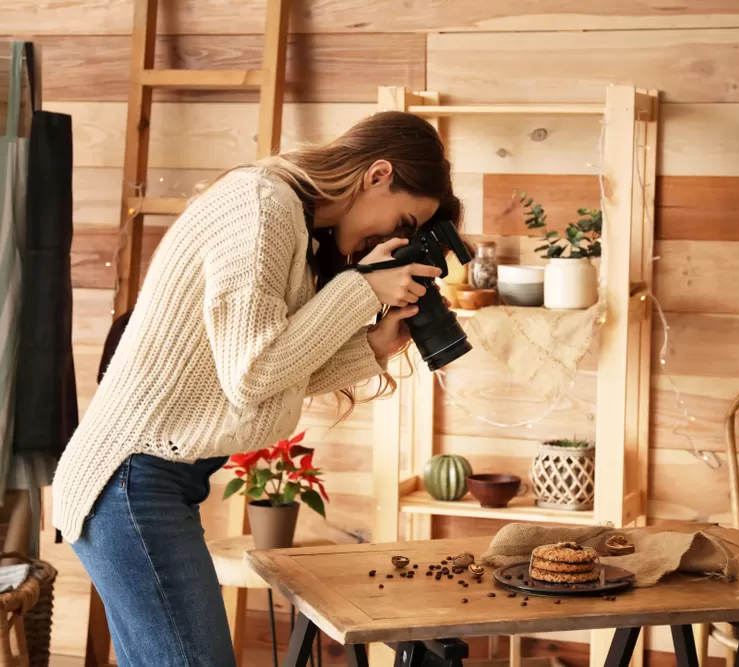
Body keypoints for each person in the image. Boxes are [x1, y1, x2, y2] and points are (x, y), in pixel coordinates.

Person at [50, 111, 462, 667]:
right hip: (130, 481)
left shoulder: (284, 216)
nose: (395, 239)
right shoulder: (260, 206)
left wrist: (370, 348)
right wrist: (361, 290)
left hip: (147, 484)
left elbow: (264, 373)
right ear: (378, 175)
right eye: (405, 221)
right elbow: (256, 372)